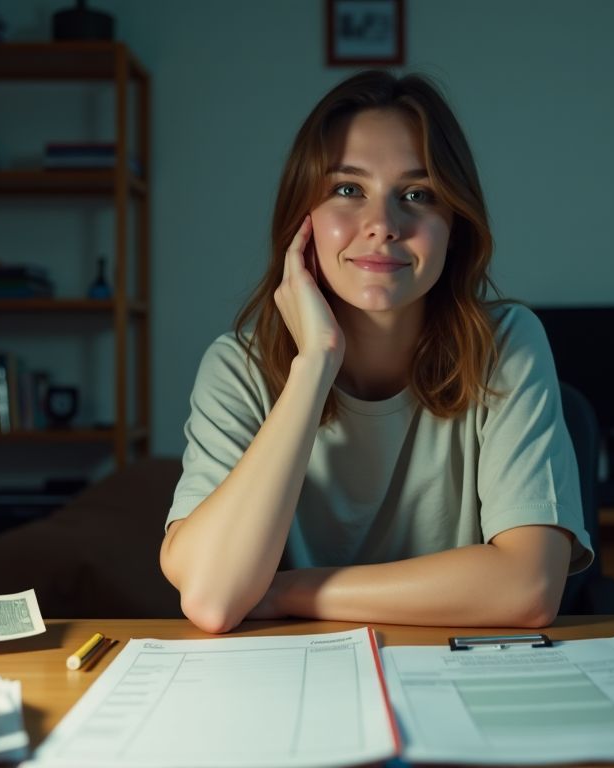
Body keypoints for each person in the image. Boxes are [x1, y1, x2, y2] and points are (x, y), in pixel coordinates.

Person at [159, 70, 592, 634]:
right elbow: (214, 600)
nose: (383, 225)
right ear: (302, 219)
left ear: (454, 226)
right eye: (347, 190)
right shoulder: (235, 369)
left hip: (457, 676)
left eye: (416, 195)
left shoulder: (506, 343)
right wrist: (314, 364)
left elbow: (529, 589)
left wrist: (286, 590)